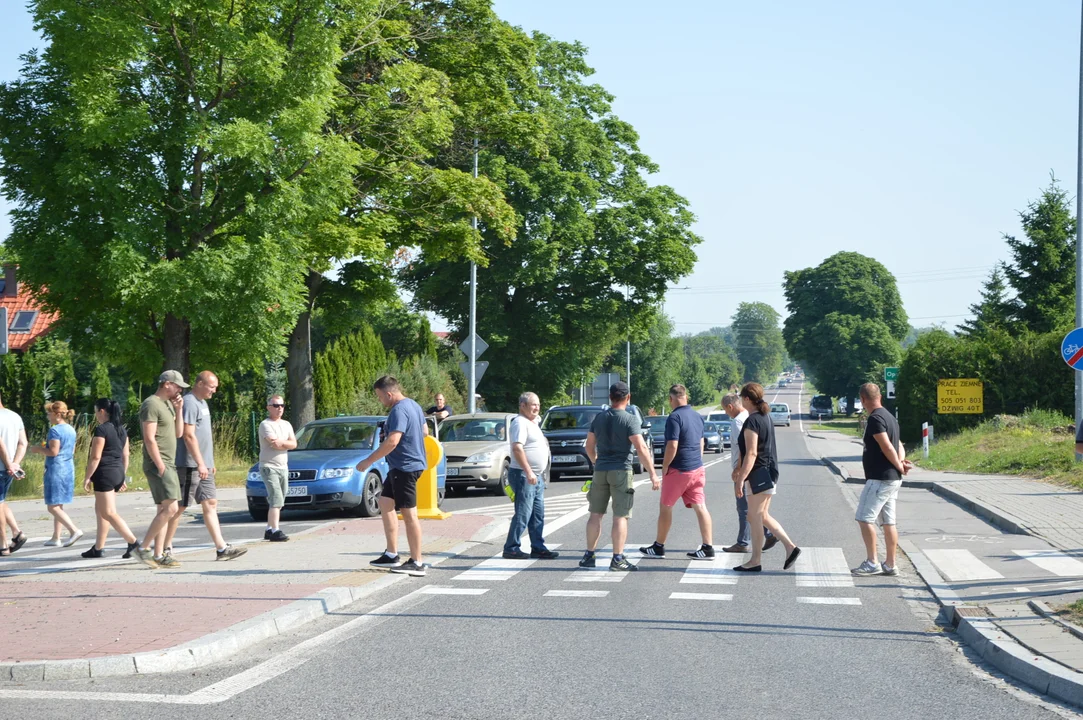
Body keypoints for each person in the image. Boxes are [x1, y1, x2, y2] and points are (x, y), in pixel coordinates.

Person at [167, 371, 246, 562]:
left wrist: (209, 463)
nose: (215, 390)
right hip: (189, 465)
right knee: (179, 507)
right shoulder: (190, 402)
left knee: (210, 503)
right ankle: (165, 547)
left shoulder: (203, 403)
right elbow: (188, 435)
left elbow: (202, 437)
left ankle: (221, 549)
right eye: (212, 386)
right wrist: (200, 463)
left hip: (204, 465)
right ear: (200, 384)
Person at [582, 381, 659, 572]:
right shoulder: (630, 419)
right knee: (620, 515)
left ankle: (589, 555)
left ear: (610, 397)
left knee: (595, 514)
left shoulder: (599, 418)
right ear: (628, 397)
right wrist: (653, 474)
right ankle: (617, 558)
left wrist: (596, 461)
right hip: (621, 471)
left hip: (600, 470)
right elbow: (641, 447)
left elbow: (588, 446)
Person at [358, 376, 428, 577]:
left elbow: (392, 441)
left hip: (405, 467)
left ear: (389, 394)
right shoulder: (413, 405)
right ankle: (391, 554)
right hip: (402, 466)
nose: (380, 401)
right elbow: (424, 431)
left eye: (380, 397)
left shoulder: (398, 410)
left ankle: (417, 562)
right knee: (385, 502)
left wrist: (368, 461)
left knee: (409, 514)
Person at [732, 382, 800, 573]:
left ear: (746, 399)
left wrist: (740, 479)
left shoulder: (752, 421)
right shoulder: (765, 417)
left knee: (754, 516)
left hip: (759, 474)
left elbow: (752, 453)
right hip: (768, 472)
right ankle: (789, 548)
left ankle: (756, 560)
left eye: (741, 398)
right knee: (761, 516)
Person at [640, 384, 714, 559]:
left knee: (666, 507)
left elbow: (672, 445)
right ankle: (707, 547)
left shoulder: (674, 418)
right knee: (701, 507)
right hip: (697, 468)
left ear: (670, 399)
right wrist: (697, 460)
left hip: (679, 470)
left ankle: (659, 546)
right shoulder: (697, 416)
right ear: (686, 397)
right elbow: (701, 441)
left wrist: (665, 466)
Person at [851, 383, 912, 577]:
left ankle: (872, 562)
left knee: (864, 518)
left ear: (862, 399)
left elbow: (887, 446)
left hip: (880, 478)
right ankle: (890, 564)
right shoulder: (890, 417)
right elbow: (899, 445)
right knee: (888, 522)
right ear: (880, 397)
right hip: (892, 479)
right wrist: (901, 463)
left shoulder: (875, 418)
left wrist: (898, 465)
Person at [132, 371, 187, 569]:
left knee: (164, 509)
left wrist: (179, 410)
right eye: (177, 386)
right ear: (166, 384)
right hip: (159, 463)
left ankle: (158, 553)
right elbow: (149, 438)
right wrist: (160, 465)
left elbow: (179, 433)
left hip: (168, 462)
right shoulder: (151, 404)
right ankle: (142, 548)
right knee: (171, 508)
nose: (180, 389)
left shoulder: (167, 405)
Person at [503, 392, 558, 560]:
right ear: (522, 406)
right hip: (523, 475)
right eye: (533, 404)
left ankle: (538, 547)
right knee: (523, 513)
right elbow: (517, 448)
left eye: (538, 404)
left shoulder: (532, 422)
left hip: (536, 476)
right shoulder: (519, 423)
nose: (537, 407)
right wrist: (528, 472)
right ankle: (511, 547)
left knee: (537, 514)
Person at [81, 399, 139, 559]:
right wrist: (122, 476)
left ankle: (133, 542)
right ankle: (98, 547)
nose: (95, 415)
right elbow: (126, 455)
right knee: (101, 509)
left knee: (108, 512)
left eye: (95, 411)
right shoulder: (122, 430)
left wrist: (87, 477)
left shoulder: (101, 429)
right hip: (117, 472)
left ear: (101, 411)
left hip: (104, 473)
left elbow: (95, 457)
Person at [720, 393, 775, 554]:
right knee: (754, 509)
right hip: (756, 468)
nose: (725, 413)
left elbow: (743, 449)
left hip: (746, 469)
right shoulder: (752, 417)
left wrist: (738, 471)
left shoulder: (739, 421)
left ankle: (744, 542)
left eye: (725, 409)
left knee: (744, 508)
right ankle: (769, 533)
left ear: (731, 406)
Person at [31, 401, 81, 547]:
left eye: (49, 413)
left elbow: (53, 452)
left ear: (57, 414)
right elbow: (71, 450)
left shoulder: (55, 430)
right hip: (68, 468)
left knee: (52, 506)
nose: (47, 415)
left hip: (56, 469)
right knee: (58, 505)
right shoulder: (71, 429)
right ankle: (56, 537)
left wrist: (37, 449)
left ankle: (73, 530)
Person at [258, 394, 296, 542]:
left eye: (281, 405)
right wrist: (283, 443)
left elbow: (294, 444)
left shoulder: (286, 424)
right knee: (276, 498)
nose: (279, 408)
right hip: (269, 466)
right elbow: (275, 444)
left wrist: (283, 443)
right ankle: (275, 530)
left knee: (281, 498)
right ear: (269, 408)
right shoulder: (265, 424)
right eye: (275, 405)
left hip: (283, 467)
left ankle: (268, 528)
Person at [0, 392, 28, 557]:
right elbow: (23, 442)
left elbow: (0, 444)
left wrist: (9, 463)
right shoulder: (15, 416)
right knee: (2, 502)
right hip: (8, 470)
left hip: (2, 466)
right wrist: (15, 463)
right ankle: (17, 533)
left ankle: (3, 544)